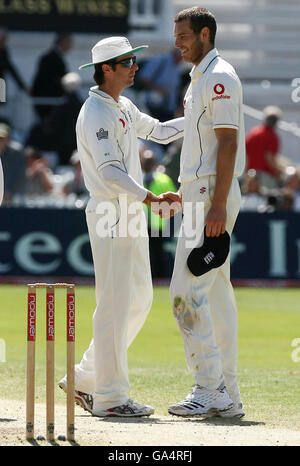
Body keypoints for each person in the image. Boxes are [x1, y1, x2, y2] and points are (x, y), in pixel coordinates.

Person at [58, 36, 184, 417]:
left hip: (128, 211)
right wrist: (152, 199)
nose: (135, 67)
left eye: (134, 60)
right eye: (127, 61)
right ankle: (110, 397)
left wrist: (198, 118)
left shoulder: (124, 105)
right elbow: (111, 171)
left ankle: (85, 376)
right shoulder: (94, 113)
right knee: (113, 303)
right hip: (112, 210)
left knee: (139, 300)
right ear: (106, 69)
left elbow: (160, 131)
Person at [160, 7, 246, 418]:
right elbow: (204, 141)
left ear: (205, 33)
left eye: (183, 35)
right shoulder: (200, 78)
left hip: (212, 194)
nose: (177, 42)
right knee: (216, 295)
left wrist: (214, 203)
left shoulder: (218, 77)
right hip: (202, 192)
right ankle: (227, 392)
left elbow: (227, 145)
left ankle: (209, 387)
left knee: (184, 294)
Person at [140, 148, 177, 278]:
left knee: (158, 254)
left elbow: (174, 197)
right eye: (146, 161)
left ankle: (159, 279)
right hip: (139, 223)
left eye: (149, 161)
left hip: (157, 223)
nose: (147, 164)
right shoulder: (136, 178)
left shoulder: (163, 179)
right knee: (141, 255)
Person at [31, 33, 73, 120]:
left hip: (48, 100)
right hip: (48, 101)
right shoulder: (51, 57)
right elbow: (48, 80)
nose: (71, 46)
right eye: (69, 43)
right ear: (63, 43)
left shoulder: (51, 56)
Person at [137, 48, 183, 121]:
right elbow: (142, 78)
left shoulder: (177, 66)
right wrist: (158, 89)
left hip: (169, 109)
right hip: (154, 106)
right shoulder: (160, 61)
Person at [50, 72, 83, 166]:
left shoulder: (60, 105)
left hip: (62, 145)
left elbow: (54, 125)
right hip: (78, 143)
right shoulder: (82, 105)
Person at [246, 106, 282, 189]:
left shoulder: (253, 133)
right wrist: (277, 173)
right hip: (265, 176)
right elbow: (269, 157)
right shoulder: (272, 136)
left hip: (250, 175)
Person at [0, 122, 26, 203]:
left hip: (13, 196)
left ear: (8, 139)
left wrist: (9, 191)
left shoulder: (16, 153)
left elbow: (17, 174)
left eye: (1, 138)